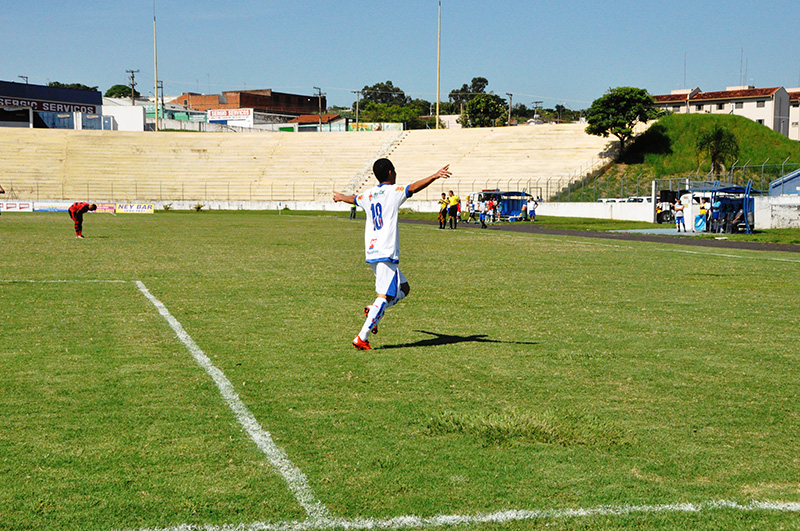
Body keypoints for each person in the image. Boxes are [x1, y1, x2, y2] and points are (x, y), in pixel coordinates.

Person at [333, 158, 451, 350]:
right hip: (386, 251)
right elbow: (413, 188)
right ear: (390, 172)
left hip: (372, 251)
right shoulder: (393, 192)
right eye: (394, 170)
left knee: (404, 288)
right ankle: (362, 337)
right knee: (382, 296)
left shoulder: (368, 194)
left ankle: (374, 311)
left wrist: (340, 197)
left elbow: (353, 199)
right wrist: (434, 176)